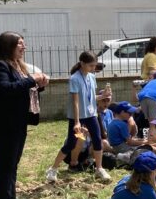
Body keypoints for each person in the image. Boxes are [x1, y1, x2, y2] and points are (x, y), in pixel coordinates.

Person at [0, 32, 49, 199]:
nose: (23, 47)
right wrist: (32, 79)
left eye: (23, 43)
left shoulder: (16, 65)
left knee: (11, 166)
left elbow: (22, 88)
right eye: (20, 44)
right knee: (5, 167)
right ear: (8, 45)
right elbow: (5, 90)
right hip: (2, 124)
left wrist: (40, 85)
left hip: (16, 122)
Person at [46, 51, 112, 182]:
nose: (93, 68)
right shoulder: (74, 78)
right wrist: (77, 122)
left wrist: (103, 96)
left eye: (95, 65)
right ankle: (53, 169)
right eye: (91, 66)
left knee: (97, 140)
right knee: (72, 142)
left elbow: (90, 98)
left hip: (91, 114)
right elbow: (76, 102)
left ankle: (99, 168)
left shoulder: (92, 77)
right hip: (77, 116)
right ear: (82, 63)